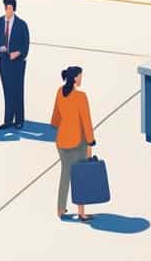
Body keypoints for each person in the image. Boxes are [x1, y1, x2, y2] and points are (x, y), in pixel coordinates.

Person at [51, 66, 97, 221]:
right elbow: (86, 121)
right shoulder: (81, 97)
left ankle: (60, 209)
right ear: (75, 78)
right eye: (80, 76)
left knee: (65, 175)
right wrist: (91, 141)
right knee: (80, 177)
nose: (81, 79)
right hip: (78, 142)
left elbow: (56, 118)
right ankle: (81, 212)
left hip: (62, 140)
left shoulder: (59, 91)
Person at [0, 0, 30, 129]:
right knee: (7, 90)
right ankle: (8, 120)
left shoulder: (21, 24)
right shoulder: (0, 22)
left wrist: (18, 53)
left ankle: (19, 119)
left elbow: (26, 44)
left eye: (8, 7)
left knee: (18, 90)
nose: (6, 10)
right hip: (4, 61)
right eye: (5, 7)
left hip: (17, 62)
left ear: (13, 8)